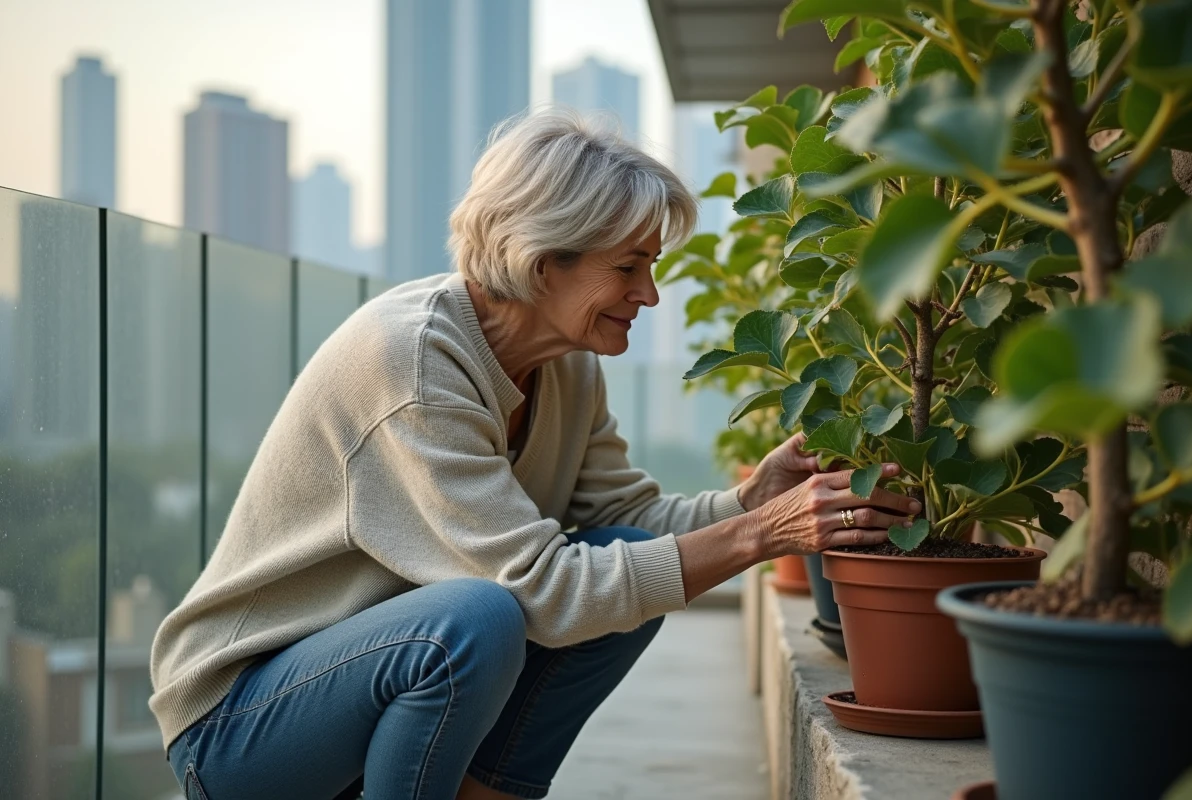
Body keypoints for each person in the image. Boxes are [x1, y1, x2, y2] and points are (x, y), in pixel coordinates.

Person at [149, 109, 919, 800]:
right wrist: (766, 534)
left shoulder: (567, 359)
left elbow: (625, 517)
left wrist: (753, 501)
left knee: (628, 559)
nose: (649, 295)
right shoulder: (413, 365)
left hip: (372, 688)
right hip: (241, 727)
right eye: (628, 267)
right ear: (541, 258)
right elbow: (542, 591)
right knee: (475, 618)